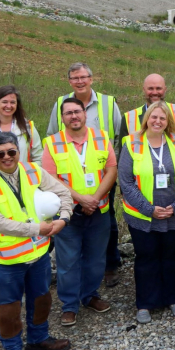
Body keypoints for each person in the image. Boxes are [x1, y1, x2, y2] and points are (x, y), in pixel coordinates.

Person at [0, 131, 74, 350]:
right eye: (0, 154)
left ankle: (38, 339)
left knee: (41, 299)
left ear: (19, 151)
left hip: (38, 254)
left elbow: (63, 192)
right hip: (7, 260)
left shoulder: (33, 171)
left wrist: (64, 218)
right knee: (8, 308)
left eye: (11, 152)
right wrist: (37, 228)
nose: (7, 157)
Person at [41, 98, 116, 327]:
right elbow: (49, 178)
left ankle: (90, 295)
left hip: (99, 209)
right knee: (68, 262)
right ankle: (69, 305)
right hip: (67, 214)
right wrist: (80, 198)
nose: (74, 116)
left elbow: (111, 170)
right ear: (62, 118)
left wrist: (94, 199)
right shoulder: (52, 143)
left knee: (95, 259)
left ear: (85, 113)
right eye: (68, 113)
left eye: (77, 111)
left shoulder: (102, 137)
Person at [118, 101, 175, 323]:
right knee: (146, 258)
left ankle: (172, 298)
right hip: (143, 218)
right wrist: (149, 209)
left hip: (174, 215)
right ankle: (145, 303)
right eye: (154, 117)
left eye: (162, 118)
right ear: (147, 119)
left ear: (168, 121)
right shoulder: (131, 144)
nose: (158, 121)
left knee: (171, 258)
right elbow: (126, 182)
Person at [48, 62, 124, 281]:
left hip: (103, 176)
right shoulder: (60, 103)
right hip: (68, 180)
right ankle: (73, 268)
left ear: (91, 78)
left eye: (83, 77)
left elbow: (118, 137)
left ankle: (110, 264)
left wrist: (113, 168)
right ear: (69, 81)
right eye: (75, 78)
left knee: (106, 220)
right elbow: (52, 133)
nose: (79, 81)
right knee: (69, 222)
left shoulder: (109, 103)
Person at [0, 85, 43, 164]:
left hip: (22, 175)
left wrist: (28, 174)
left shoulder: (28, 127)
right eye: (4, 102)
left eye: (12, 102)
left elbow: (38, 157)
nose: (8, 106)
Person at [122, 75, 175, 144]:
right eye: (150, 88)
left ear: (165, 89)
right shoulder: (128, 118)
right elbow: (123, 151)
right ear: (144, 90)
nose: (155, 92)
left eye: (158, 88)